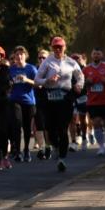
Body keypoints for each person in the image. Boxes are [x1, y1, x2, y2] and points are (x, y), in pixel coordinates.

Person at [34, 37, 84, 172]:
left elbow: (80, 76)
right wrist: (48, 80)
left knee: (63, 128)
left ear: (64, 47)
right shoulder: (47, 62)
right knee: (50, 128)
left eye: (60, 47)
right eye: (55, 47)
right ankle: (55, 146)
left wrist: (79, 85)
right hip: (50, 98)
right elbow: (37, 80)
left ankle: (62, 158)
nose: (57, 49)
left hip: (66, 97)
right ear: (52, 48)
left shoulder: (71, 62)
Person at [7, 46, 38, 162]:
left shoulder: (31, 69)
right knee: (16, 125)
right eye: (17, 54)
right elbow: (7, 84)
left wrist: (26, 80)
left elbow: (38, 84)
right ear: (14, 56)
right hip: (15, 100)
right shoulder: (11, 69)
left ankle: (26, 150)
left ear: (25, 56)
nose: (19, 56)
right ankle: (18, 151)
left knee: (26, 127)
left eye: (21, 54)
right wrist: (10, 84)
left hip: (28, 101)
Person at [83, 48, 105, 155]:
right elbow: (80, 84)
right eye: (94, 54)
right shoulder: (86, 69)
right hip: (93, 102)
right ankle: (101, 146)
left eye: (98, 53)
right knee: (96, 123)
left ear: (102, 55)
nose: (96, 55)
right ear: (91, 55)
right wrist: (86, 82)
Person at [69, 53, 90, 152]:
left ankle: (85, 138)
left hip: (82, 96)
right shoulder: (67, 69)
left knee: (82, 119)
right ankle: (73, 142)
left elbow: (88, 81)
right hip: (71, 96)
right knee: (72, 120)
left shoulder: (84, 69)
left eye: (77, 59)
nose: (75, 61)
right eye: (73, 60)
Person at [34, 48, 51, 159]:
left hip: (50, 100)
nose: (41, 59)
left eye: (44, 57)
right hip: (37, 100)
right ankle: (41, 148)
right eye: (40, 57)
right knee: (39, 125)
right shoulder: (35, 69)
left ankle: (48, 146)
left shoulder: (52, 69)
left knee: (48, 126)